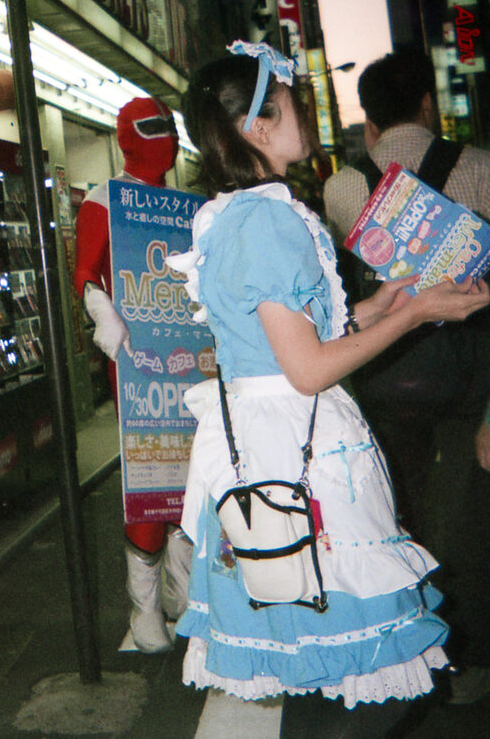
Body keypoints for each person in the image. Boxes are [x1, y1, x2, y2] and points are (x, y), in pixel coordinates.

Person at [165, 41, 490, 736]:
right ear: (256, 129)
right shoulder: (267, 220)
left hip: (274, 438)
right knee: (358, 662)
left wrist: (391, 300)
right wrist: (416, 313)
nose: (304, 111)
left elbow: (292, 335)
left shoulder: (239, 213)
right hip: (299, 448)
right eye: (288, 102)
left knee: (314, 656)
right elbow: (306, 367)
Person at [324, 49, 490, 702]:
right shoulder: (477, 167)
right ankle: (469, 655)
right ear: (427, 104)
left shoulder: (344, 186)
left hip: (384, 369)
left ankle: (408, 656)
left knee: (395, 513)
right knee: (467, 513)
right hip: (469, 368)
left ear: (368, 123)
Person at [73, 96, 192, 654]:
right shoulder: (104, 200)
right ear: (126, 135)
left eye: (170, 128)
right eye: (152, 128)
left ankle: (182, 592)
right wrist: (107, 320)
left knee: (192, 471)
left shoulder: (187, 208)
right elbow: (86, 274)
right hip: (138, 362)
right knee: (149, 473)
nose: (164, 138)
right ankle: (144, 609)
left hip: (189, 360)